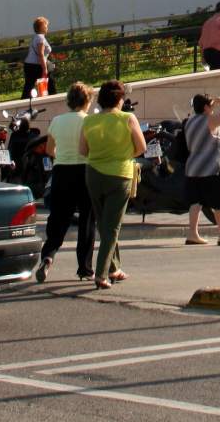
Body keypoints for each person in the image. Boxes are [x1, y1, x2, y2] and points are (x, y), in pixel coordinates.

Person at [78, 80, 146, 289]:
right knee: (112, 227)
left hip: (93, 174)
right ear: (119, 99)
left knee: (103, 223)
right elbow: (141, 147)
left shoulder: (89, 121)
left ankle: (114, 267)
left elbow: (83, 150)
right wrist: (123, 154)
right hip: (119, 174)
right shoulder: (128, 118)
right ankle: (101, 274)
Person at [35, 81, 95, 283]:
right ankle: (84, 268)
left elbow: (49, 150)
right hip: (84, 170)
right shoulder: (89, 121)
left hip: (61, 171)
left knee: (58, 217)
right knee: (87, 219)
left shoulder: (57, 121)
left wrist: (62, 155)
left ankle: (48, 256)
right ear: (87, 100)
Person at [183, 94, 220, 247]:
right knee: (219, 200)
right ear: (205, 107)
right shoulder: (208, 120)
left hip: (194, 168)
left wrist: (211, 105)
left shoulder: (190, 121)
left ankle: (192, 234)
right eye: (211, 105)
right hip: (211, 168)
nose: (213, 107)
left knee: (196, 201)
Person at [22, 16, 53, 100]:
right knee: (50, 85)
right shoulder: (40, 38)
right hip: (36, 66)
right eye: (45, 25)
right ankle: (53, 101)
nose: (47, 27)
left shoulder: (36, 37)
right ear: (41, 27)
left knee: (28, 87)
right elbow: (40, 54)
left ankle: (23, 103)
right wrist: (44, 69)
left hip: (30, 65)